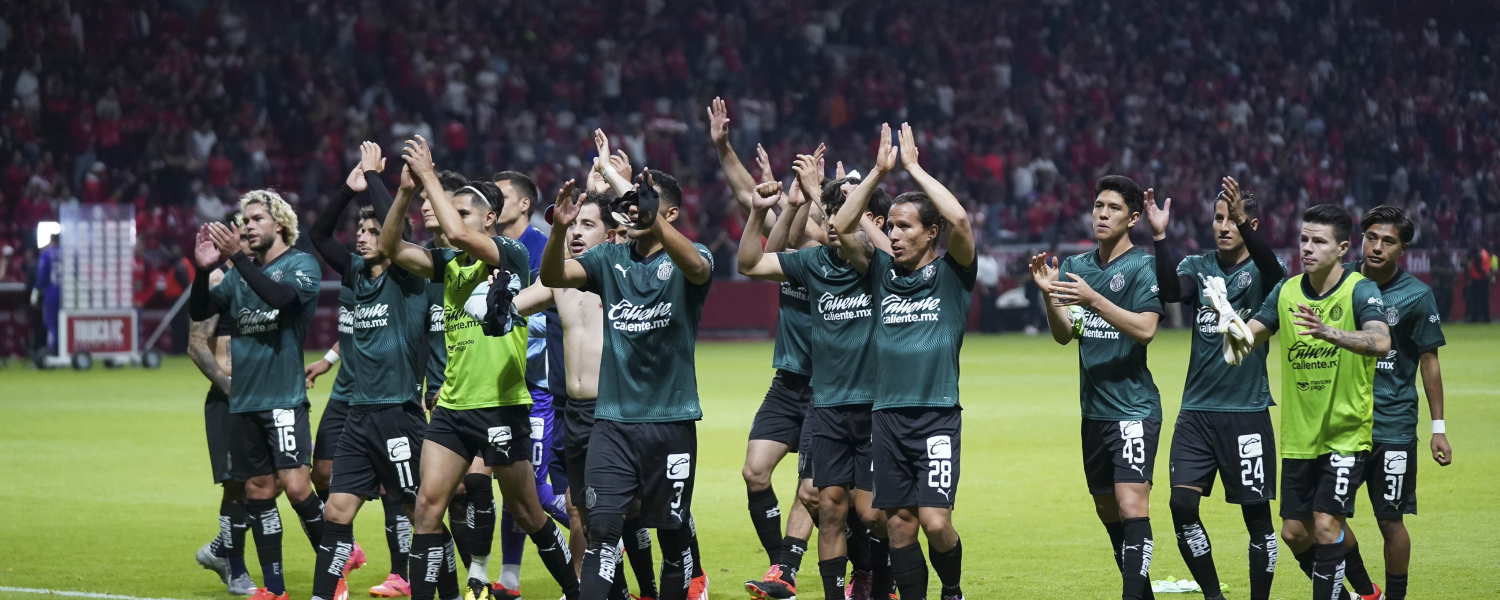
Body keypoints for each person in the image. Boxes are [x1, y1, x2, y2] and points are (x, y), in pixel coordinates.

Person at [378, 135, 578, 600]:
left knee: (528, 513)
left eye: (463, 212)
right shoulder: (449, 263)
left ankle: (574, 590)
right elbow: (392, 247)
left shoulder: (510, 254)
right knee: (427, 509)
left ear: (490, 219)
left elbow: (462, 235)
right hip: (452, 406)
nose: (453, 220)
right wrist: (405, 192)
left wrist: (429, 176)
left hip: (501, 406)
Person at [540, 131, 713, 600]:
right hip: (611, 424)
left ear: (668, 215)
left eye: (642, 207)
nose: (631, 213)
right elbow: (553, 275)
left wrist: (645, 210)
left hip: (671, 422)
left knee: (674, 540)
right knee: (601, 534)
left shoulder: (691, 260)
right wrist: (558, 230)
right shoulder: (608, 258)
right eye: (629, 207)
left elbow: (698, 268)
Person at [737, 142, 898, 600]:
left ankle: (878, 577)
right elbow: (751, 262)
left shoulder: (874, 267)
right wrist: (760, 210)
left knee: (870, 513)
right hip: (822, 402)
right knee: (823, 503)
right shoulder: (813, 263)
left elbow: (859, 240)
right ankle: (797, 573)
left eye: (842, 211)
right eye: (830, 212)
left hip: (872, 405)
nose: (832, 221)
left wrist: (846, 189)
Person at [831, 123, 974, 600]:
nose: (893, 234)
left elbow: (961, 221)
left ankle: (951, 588)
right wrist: (876, 172)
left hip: (936, 416)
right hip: (887, 417)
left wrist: (913, 168)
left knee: (935, 523)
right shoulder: (881, 272)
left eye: (905, 226)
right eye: (890, 226)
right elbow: (843, 225)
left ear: (931, 232)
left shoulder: (952, 274)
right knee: (897, 525)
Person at [1241, 204, 1392, 600]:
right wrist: (1228, 322)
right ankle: (1365, 594)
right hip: (1299, 438)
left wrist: (1331, 333)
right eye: (1304, 239)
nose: (1307, 248)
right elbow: (1247, 339)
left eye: (1319, 241)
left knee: (1326, 526)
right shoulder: (1286, 291)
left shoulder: (1360, 289)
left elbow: (1381, 341)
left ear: (1342, 248)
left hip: (1345, 433)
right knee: (1295, 532)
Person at [303, 144, 432, 600]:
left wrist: (379, 179)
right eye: (360, 229)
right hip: (358, 413)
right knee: (337, 511)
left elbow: (396, 235)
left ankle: (440, 588)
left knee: (420, 513)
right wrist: (348, 188)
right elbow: (318, 235)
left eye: (373, 231)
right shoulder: (357, 273)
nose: (361, 236)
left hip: (398, 412)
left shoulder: (409, 277)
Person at [1147, 177, 1284, 600]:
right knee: (1181, 506)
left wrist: (1245, 225)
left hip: (1246, 411)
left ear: (1251, 224)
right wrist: (1160, 238)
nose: (1223, 227)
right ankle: (1213, 596)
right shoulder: (1198, 265)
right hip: (1196, 411)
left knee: (1257, 519)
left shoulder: (1265, 270)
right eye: (1218, 218)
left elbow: (1276, 273)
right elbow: (1172, 292)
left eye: (1233, 220)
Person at [188, 190, 327, 600]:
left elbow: (280, 298)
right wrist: (201, 272)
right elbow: (200, 312)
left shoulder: (301, 264)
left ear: (279, 223)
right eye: (243, 220)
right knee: (258, 493)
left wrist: (237, 258)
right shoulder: (237, 276)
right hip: (243, 403)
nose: (246, 225)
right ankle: (275, 589)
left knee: (297, 489)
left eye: (255, 219)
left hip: (282, 398)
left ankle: (336, 563)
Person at [707, 98, 820, 598]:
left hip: (832, 388)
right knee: (755, 471)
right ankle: (780, 566)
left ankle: (794, 570)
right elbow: (747, 195)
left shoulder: (845, 260)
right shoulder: (789, 254)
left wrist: (808, 199)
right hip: (788, 382)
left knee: (817, 490)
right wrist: (723, 147)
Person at [1031, 174, 1163, 600]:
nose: (1102, 214)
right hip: (1094, 411)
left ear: (1133, 218)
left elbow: (1145, 330)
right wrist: (1050, 295)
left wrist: (1095, 301)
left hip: (1134, 409)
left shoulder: (1142, 266)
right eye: (1098, 206)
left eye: (1113, 208)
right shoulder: (1076, 267)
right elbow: (1065, 335)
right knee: (1107, 508)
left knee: (1131, 506)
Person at [1348, 205, 1453, 600]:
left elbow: (1429, 361)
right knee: (1318, 516)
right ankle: (1365, 589)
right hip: (1341, 422)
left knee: (1390, 521)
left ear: (1403, 249)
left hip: (1392, 426)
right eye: (1371, 237)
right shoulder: (1341, 282)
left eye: (1388, 241)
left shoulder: (1416, 295)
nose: (1377, 247)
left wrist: (1438, 429)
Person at [488, 169, 571, 599]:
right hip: (504, 387)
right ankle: (509, 578)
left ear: (524, 204)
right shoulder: (493, 250)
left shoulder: (543, 248)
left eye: (501, 195)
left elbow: (551, 314)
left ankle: (604, 539)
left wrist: (506, 312)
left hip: (540, 387)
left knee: (535, 491)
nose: (492, 201)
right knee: (512, 484)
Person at [188, 216, 257, 596]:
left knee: (281, 480)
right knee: (236, 487)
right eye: (242, 233)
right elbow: (196, 343)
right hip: (228, 397)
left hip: (264, 395)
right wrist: (228, 385)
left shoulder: (265, 277)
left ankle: (220, 547)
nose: (250, 237)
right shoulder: (220, 278)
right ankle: (236, 569)